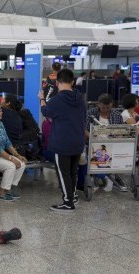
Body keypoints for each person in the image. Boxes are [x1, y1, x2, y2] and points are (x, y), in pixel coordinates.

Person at [39, 69, 86, 213]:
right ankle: (73, 197)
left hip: (62, 142)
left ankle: (67, 202)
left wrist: (42, 98)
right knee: (73, 171)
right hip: (78, 141)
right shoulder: (80, 98)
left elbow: (46, 112)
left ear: (57, 82)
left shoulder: (57, 100)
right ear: (72, 82)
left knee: (63, 172)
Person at [0, 100, 27, 201]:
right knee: (11, 166)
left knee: (22, 163)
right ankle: (1, 192)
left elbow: (7, 142)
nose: (2, 112)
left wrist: (17, 155)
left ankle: (9, 188)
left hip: (1, 156)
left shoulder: (1, 124)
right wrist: (11, 158)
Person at [83, 94, 127, 192]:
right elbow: (84, 129)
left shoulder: (116, 114)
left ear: (112, 105)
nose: (105, 110)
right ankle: (93, 177)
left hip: (112, 144)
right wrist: (92, 137)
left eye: (108, 108)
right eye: (103, 107)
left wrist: (119, 136)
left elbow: (122, 130)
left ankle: (116, 176)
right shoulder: (91, 113)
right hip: (93, 144)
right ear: (99, 104)